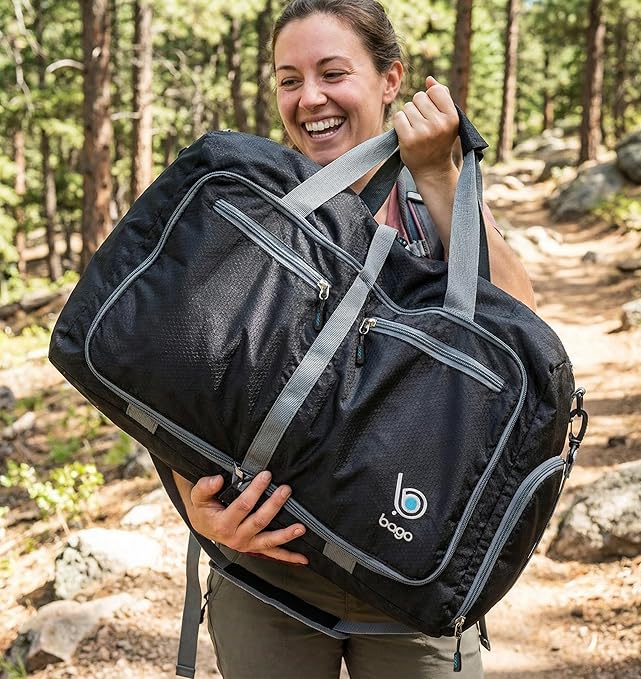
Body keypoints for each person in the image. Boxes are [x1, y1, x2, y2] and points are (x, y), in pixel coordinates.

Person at [172, 1, 536, 677]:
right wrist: (197, 505)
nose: (309, 98)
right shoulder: (255, 208)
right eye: (289, 80)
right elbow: (179, 372)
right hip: (266, 570)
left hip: (410, 575)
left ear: (390, 79)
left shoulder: (437, 202)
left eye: (332, 73)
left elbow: (522, 334)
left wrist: (439, 175)